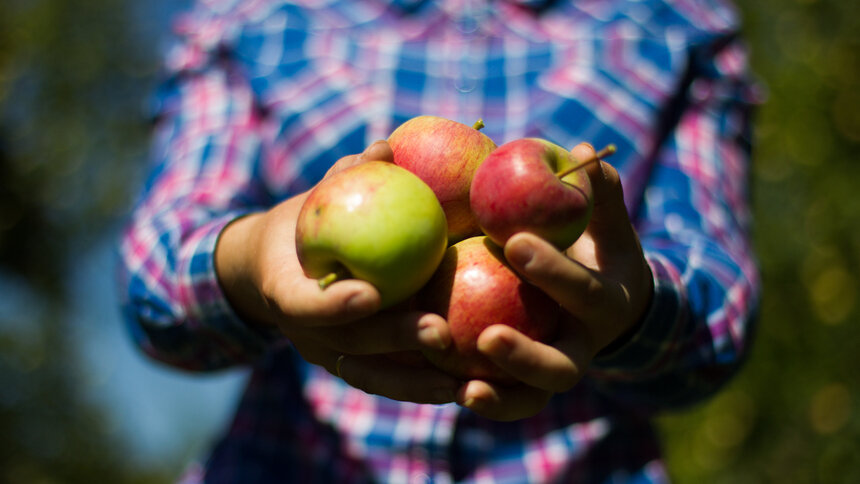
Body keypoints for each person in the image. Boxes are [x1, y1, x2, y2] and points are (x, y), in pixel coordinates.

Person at [118, 0, 761, 482]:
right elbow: (157, 277)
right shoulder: (248, 17)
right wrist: (251, 258)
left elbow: (718, 309)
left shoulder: (679, 25)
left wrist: (631, 314)